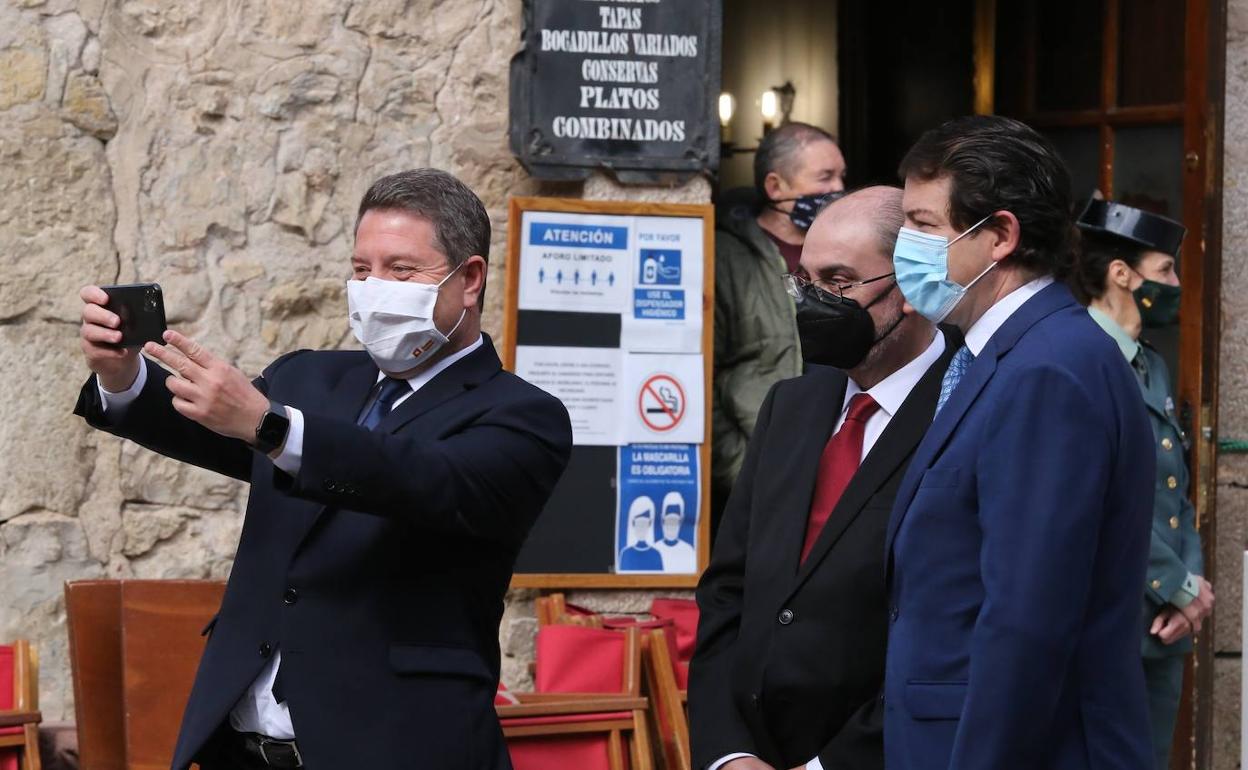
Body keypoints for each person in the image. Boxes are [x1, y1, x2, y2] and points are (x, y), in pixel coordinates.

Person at [73, 168, 573, 770]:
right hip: (242, 745)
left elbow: (418, 477)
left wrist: (272, 427)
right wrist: (122, 376)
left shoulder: (522, 415)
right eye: (362, 270)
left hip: (398, 748)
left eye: (401, 269)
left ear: (469, 280)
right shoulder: (308, 379)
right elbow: (215, 426)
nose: (374, 287)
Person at [882, 115, 1156, 770]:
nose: (904, 244)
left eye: (923, 224)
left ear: (1000, 234)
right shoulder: (1001, 356)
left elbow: (1027, 621)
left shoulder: (1048, 370)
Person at [691, 186, 958, 770]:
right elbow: (728, 590)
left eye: (838, 283)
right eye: (804, 283)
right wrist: (728, 752)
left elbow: (954, 631)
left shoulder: (965, 413)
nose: (813, 302)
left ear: (911, 285)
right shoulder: (792, 404)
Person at [1074, 198, 1214, 770]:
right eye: (1165, 271)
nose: (1176, 284)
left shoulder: (1150, 364)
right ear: (1121, 273)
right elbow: (1101, 497)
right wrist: (1177, 584)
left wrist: (1192, 587)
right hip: (1107, 613)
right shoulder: (1080, 357)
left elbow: (1173, 493)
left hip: (1160, 621)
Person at [712, 122, 847, 530]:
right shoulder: (725, 257)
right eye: (825, 178)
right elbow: (702, 377)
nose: (839, 189)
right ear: (775, 186)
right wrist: (744, 472)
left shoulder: (845, 251)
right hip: (759, 479)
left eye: (842, 176)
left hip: (838, 473)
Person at [619, 495, 664, 572]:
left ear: (649, 524)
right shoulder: (626, 554)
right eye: (638, 523)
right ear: (633, 524)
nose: (641, 528)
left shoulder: (656, 555)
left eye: (645, 523)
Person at [654, 491, 696, 572]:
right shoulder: (655, 550)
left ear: (681, 520)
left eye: (675, 520)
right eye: (668, 520)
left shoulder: (688, 551)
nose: (671, 526)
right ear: (662, 519)